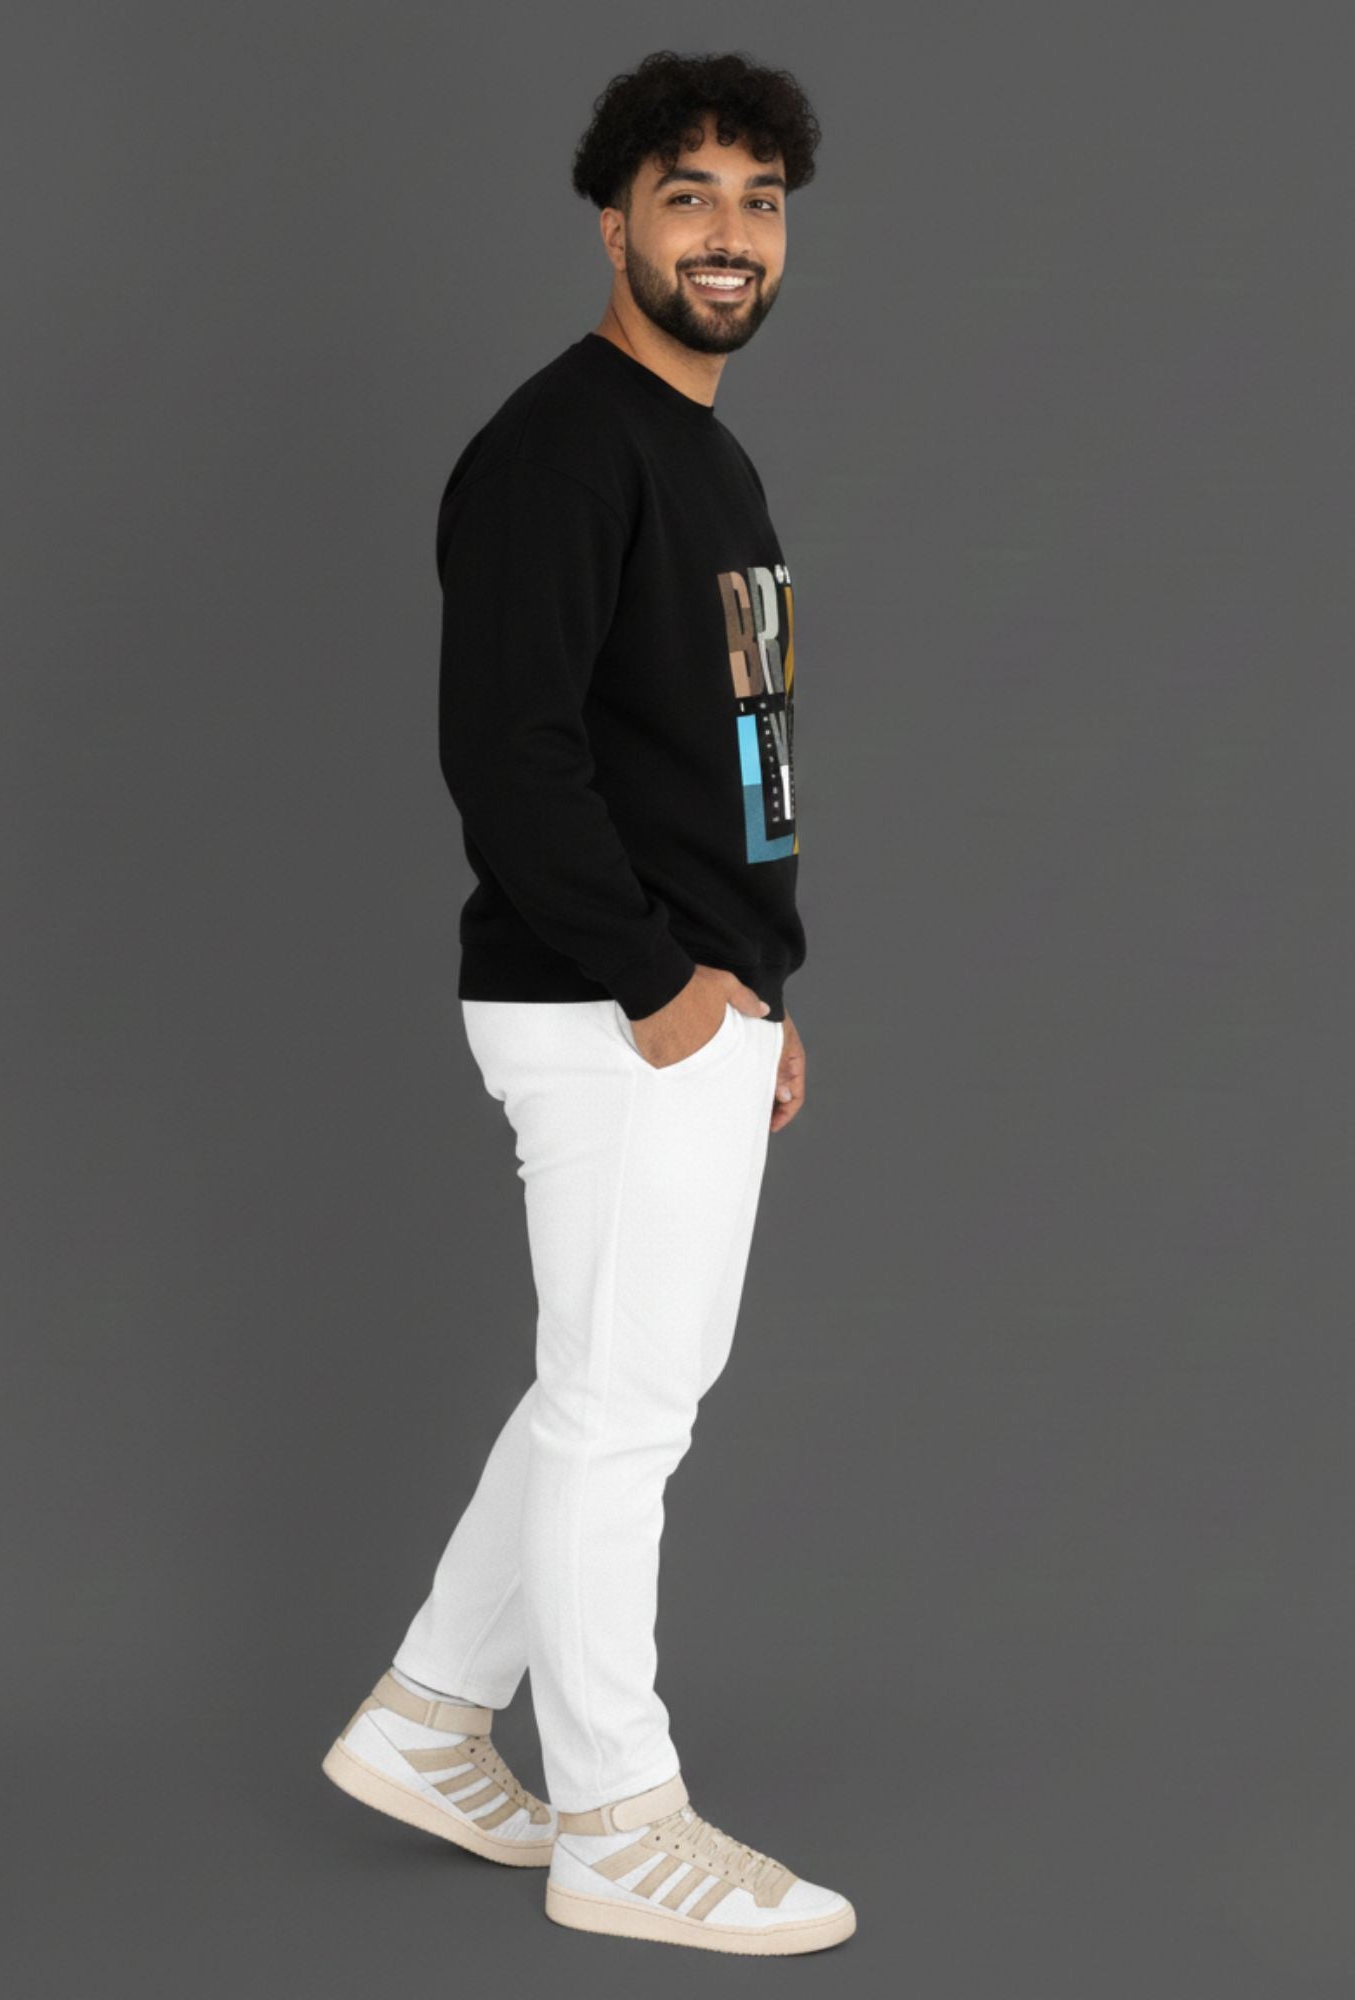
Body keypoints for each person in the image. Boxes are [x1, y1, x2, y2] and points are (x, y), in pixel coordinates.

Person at [323, 50, 854, 1957]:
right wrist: (657, 983)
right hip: (607, 998)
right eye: (688, 194)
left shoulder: (707, 455)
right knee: (626, 1414)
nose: (729, 235)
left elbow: (724, 751)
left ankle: (428, 1719)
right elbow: (509, 749)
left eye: (759, 202)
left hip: (690, 997)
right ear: (611, 218)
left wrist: (756, 987)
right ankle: (621, 1820)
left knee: (606, 1395)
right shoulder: (562, 447)